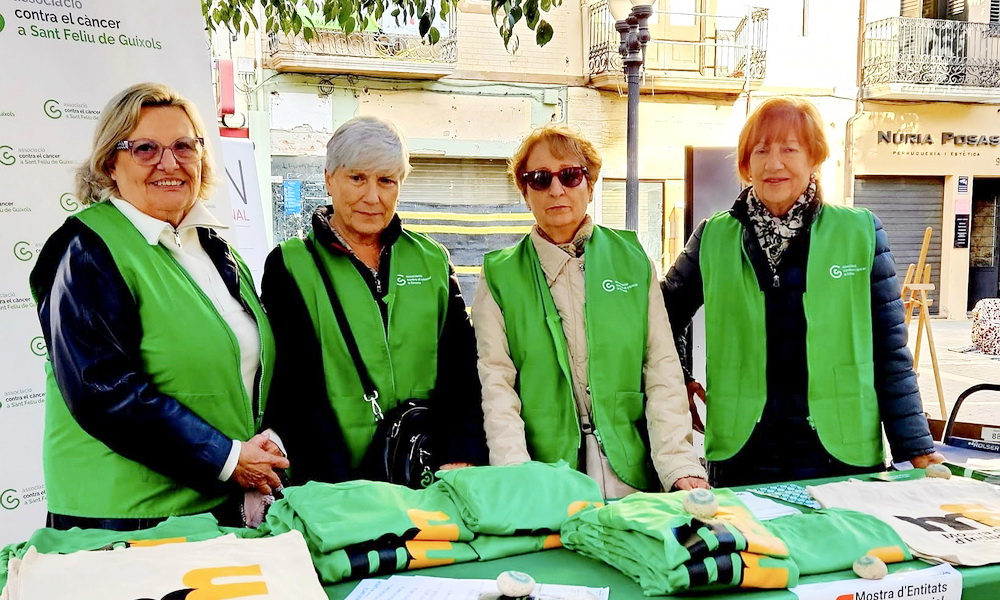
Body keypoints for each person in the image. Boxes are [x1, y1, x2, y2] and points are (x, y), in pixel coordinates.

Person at [29, 82, 288, 531]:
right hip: (126, 519)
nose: (169, 164)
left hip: (214, 507)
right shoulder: (86, 250)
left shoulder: (213, 247)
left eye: (184, 146)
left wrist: (259, 447)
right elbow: (102, 388)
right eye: (145, 148)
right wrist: (228, 458)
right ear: (111, 162)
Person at [662, 97, 944, 487]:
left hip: (841, 450)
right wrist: (680, 377)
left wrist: (916, 446)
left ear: (814, 157)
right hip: (743, 450)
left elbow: (890, 348)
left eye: (789, 149)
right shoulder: (713, 236)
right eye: (761, 151)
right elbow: (663, 316)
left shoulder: (860, 232)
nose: (774, 164)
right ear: (746, 164)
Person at [473, 123, 708, 499]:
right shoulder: (499, 274)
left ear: (590, 184)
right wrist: (517, 475)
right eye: (540, 179)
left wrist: (679, 465)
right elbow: (497, 385)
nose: (556, 190)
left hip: (634, 475)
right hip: (547, 480)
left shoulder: (633, 261)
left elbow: (661, 369)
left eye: (570, 175)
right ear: (525, 192)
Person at [261, 116, 487, 484]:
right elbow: (295, 393)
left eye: (386, 181)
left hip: (429, 475)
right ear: (329, 179)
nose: (372, 197)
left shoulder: (431, 260)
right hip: (335, 484)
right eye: (357, 178)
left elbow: (463, 368)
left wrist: (461, 452)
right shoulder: (290, 265)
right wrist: (342, 491)